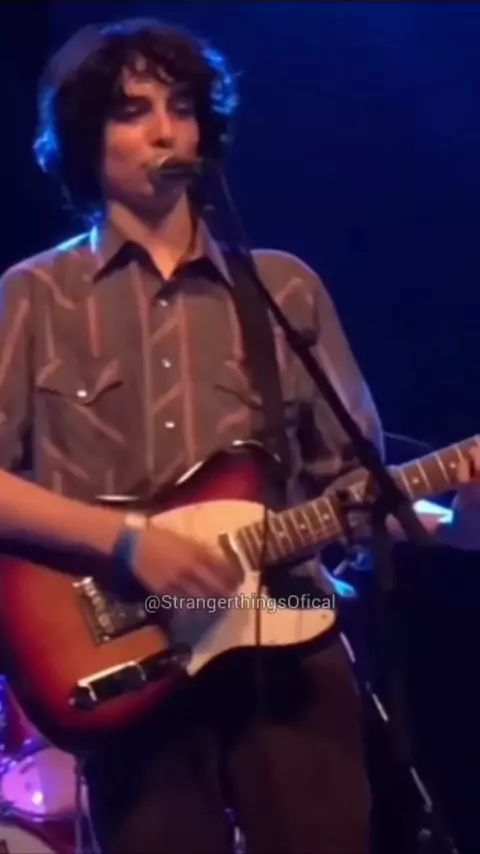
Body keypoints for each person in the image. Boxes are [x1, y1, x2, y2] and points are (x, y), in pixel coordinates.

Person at [0, 16, 479, 854]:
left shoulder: (283, 290)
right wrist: (127, 543)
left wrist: (453, 515)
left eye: (182, 108)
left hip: (289, 628)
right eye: (132, 111)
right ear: (85, 139)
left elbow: (355, 489)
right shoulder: (33, 296)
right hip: (120, 651)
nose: (165, 131)